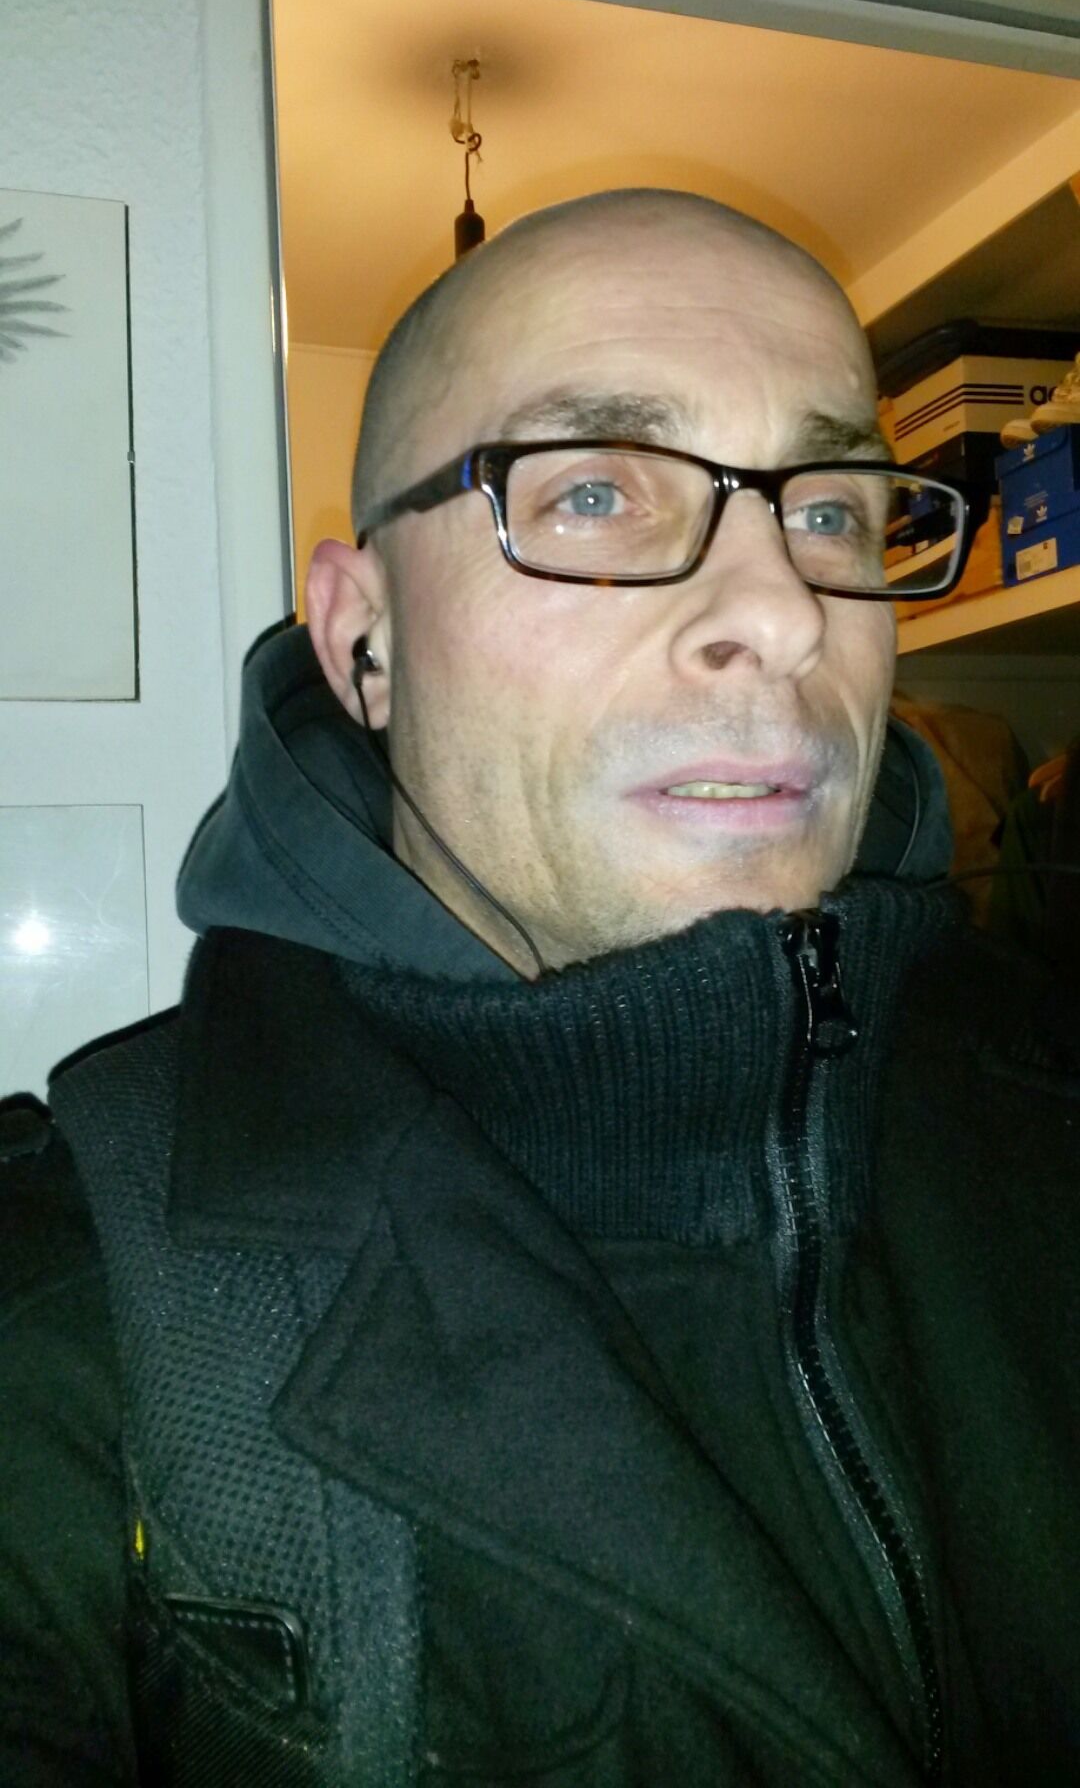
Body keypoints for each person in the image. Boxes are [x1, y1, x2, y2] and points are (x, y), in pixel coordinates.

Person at [2, 189, 1077, 1787]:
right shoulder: (68, 1313)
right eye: (592, 491)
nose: (783, 613)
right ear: (363, 640)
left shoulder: (1046, 1113)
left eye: (834, 511)